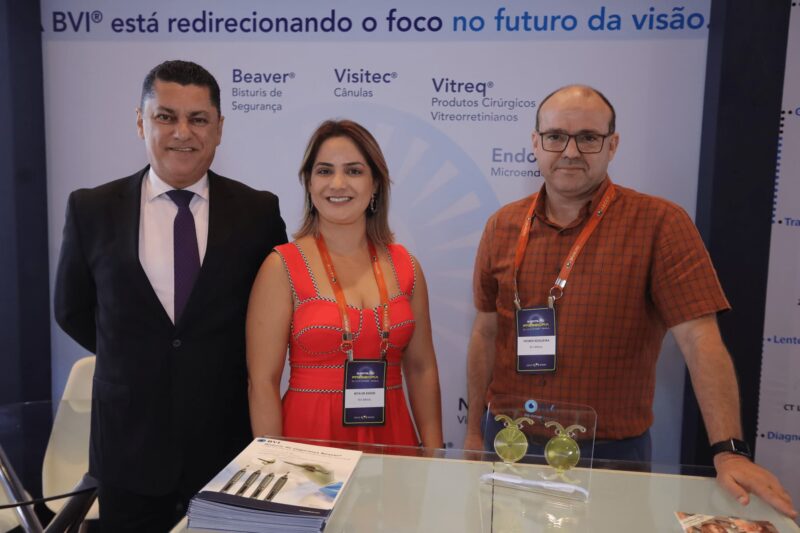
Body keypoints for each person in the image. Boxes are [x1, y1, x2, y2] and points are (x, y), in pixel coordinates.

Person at [464, 85, 797, 518]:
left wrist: (729, 450)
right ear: (536, 142)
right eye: (556, 136)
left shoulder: (660, 224)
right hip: (509, 444)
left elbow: (700, 340)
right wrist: (474, 432)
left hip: (609, 456)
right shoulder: (502, 225)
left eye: (588, 137)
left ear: (612, 145)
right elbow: (485, 332)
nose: (570, 151)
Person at [54, 60, 287, 531]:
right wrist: (138, 355)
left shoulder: (258, 212)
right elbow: (72, 309)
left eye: (198, 119)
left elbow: (274, 317)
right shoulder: (91, 209)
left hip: (227, 449)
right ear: (141, 122)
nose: (183, 132)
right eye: (166, 116)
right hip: (127, 452)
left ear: (219, 128)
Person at [247, 119, 443, 448]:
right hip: (308, 445)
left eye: (354, 171)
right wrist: (273, 463)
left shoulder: (406, 266)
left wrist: (434, 455)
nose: (338, 184)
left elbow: (422, 369)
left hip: (393, 442)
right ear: (309, 183)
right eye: (324, 171)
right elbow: (262, 383)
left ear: (375, 183)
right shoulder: (281, 267)